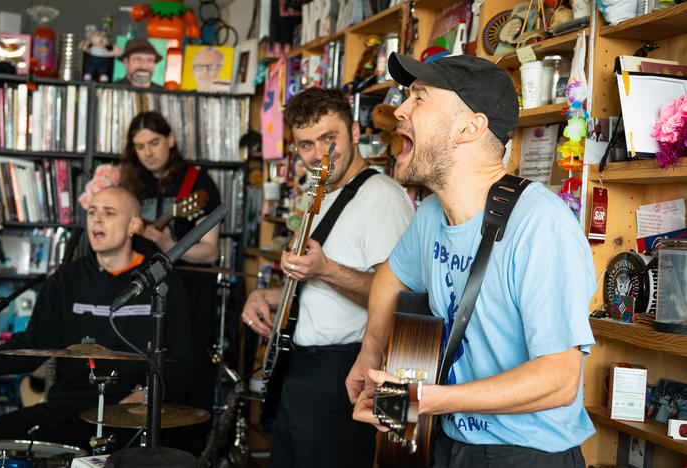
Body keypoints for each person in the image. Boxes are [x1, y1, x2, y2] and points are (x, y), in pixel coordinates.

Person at [347, 53, 597, 468]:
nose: (399, 112)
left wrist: (430, 400)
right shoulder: (431, 215)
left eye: (419, 98)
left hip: (527, 454)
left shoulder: (540, 224)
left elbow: (559, 380)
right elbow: (392, 274)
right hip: (448, 442)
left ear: (470, 127)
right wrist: (371, 350)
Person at [241, 86, 414, 468]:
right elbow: (312, 287)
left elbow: (401, 301)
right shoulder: (316, 193)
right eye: (306, 145)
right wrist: (266, 297)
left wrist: (327, 269)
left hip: (344, 369)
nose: (319, 154)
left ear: (353, 131)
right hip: (300, 367)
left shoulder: (382, 197)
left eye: (328, 138)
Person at [0, 186, 193, 450]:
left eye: (109, 212)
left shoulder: (164, 284)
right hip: (67, 410)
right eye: (92, 212)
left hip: (132, 413)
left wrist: (149, 395)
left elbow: (182, 364)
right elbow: (31, 347)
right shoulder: (66, 279)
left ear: (133, 225)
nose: (96, 219)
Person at [119, 111, 221, 452]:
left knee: (182, 372)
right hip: (140, 294)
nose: (147, 153)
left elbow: (208, 253)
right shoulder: (131, 182)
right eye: (139, 147)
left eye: (154, 143)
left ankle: (182, 453)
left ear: (171, 140)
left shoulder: (198, 185)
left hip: (188, 294)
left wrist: (165, 244)